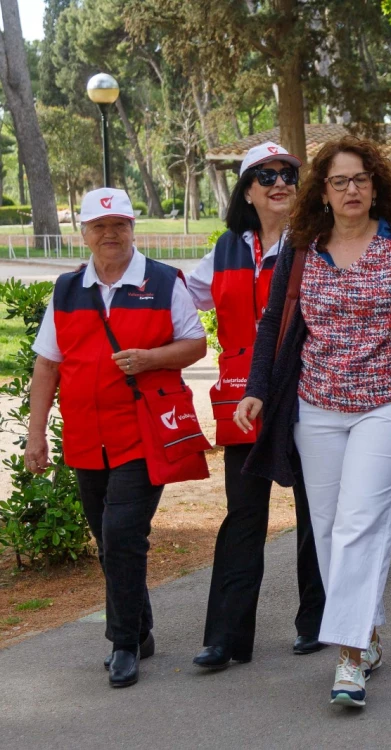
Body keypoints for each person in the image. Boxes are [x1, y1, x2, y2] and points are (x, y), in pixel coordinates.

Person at [235, 135, 391, 709]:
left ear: (376, 185)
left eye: (361, 179)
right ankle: (367, 632)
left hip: (390, 400)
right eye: (339, 181)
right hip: (316, 405)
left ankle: (349, 657)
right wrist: (257, 390)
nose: (352, 190)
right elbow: (274, 320)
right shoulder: (302, 248)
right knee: (327, 528)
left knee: (360, 522)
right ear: (322, 192)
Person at [25, 188, 207, 688]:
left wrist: (150, 359)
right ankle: (141, 628)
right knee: (110, 545)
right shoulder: (66, 290)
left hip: (143, 433)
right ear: (83, 233)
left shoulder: (164, 280)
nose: (110, 235)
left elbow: (195, 343)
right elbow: (47, 366)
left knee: (122, 534)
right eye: (99, 226)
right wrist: (36, 434)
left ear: (133, 228)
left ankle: (122, 643)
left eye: (119, 225)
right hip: (86, 438)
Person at [186, 143, 326, 671]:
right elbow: (180, 298)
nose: (279, 182)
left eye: (288, 173)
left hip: (308, 398)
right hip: (242, 407)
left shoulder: (317, 243)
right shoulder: (222, 251)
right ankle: (226, 638)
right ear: (246, 191)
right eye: (264, 175)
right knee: (243, 517)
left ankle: (318, 621)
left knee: (317, 512)